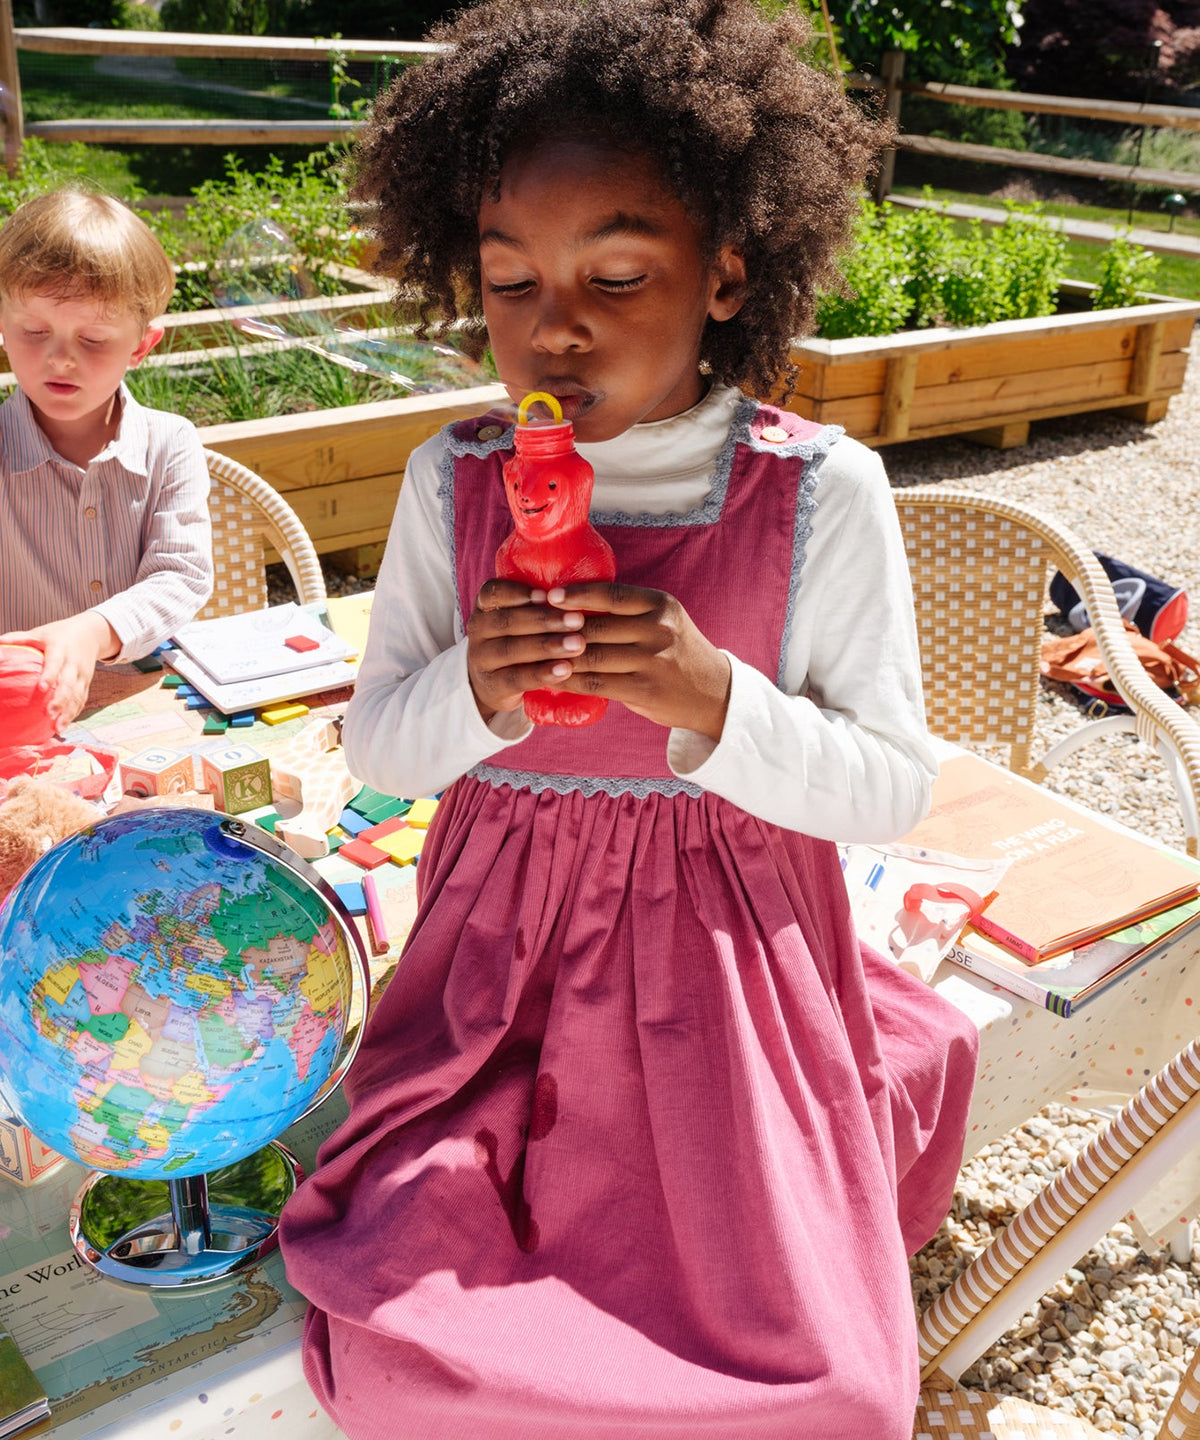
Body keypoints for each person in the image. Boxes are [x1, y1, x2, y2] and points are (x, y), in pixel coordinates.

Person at [279, 2, 979, 1435]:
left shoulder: (817, 491)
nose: (556, 327)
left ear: (727, 273)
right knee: (420, 1341)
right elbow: (379, 753)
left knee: (822, 1385)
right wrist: (475, 691)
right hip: (495, 988)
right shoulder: (453, 481)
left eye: (615, 273)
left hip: (725, 980)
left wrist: (717, 700)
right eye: (510, 283)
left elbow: (891, 788)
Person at [0, 189, 212, 729]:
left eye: (93, 338)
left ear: (141, 347)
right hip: (21, 718)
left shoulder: (171, 443)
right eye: (33, 331)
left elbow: (180, 576)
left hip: (148, 703)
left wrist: (91, 631)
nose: (61, 357)